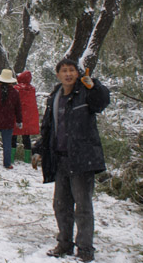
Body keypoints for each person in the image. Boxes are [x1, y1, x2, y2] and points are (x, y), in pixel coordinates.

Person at [32, 59, 110, 262]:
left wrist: (94, 85)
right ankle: (64, 243)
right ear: (57, 74)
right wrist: (40, 149)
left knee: (83, 206)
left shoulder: (85, 92)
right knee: (61, 205)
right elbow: (48, 127)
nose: (68, 74)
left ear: (77, 73)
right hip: (60, 159)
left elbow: (101, 103)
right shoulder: (55, 96)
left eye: (71, 70)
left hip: (82, 159)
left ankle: (85, 249)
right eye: (64, 71)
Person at [12, 70, 40, 163]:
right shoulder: (32, 89)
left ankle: (11, 157)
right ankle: (27, 159)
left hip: (17, 116)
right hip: (27, 117)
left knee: (13, 136)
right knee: (26, 137)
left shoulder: (16, 88)